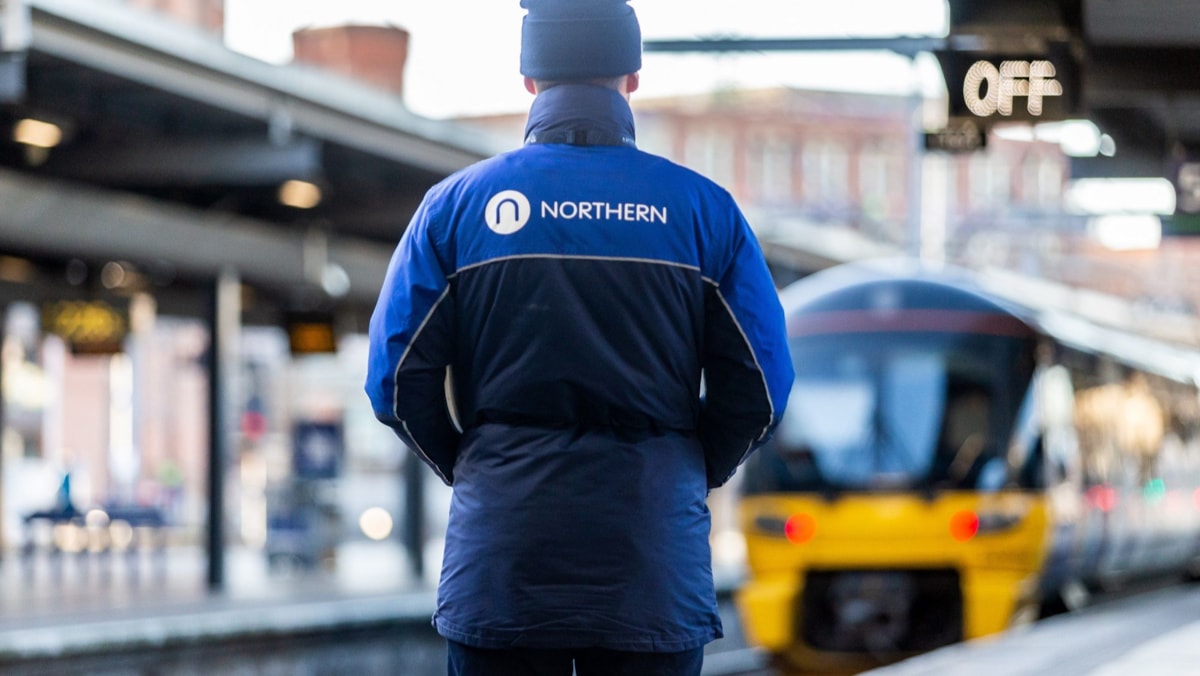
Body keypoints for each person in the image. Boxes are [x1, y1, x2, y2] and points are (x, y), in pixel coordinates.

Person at [365, 1, 792, 673]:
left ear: (530, 83)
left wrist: (477, 465)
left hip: (503, 558)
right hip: (651, 560)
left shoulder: (455, 208)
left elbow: (393, 384)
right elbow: (762, 387)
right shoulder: (704, 211)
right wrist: (683, 467)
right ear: (633, 77)